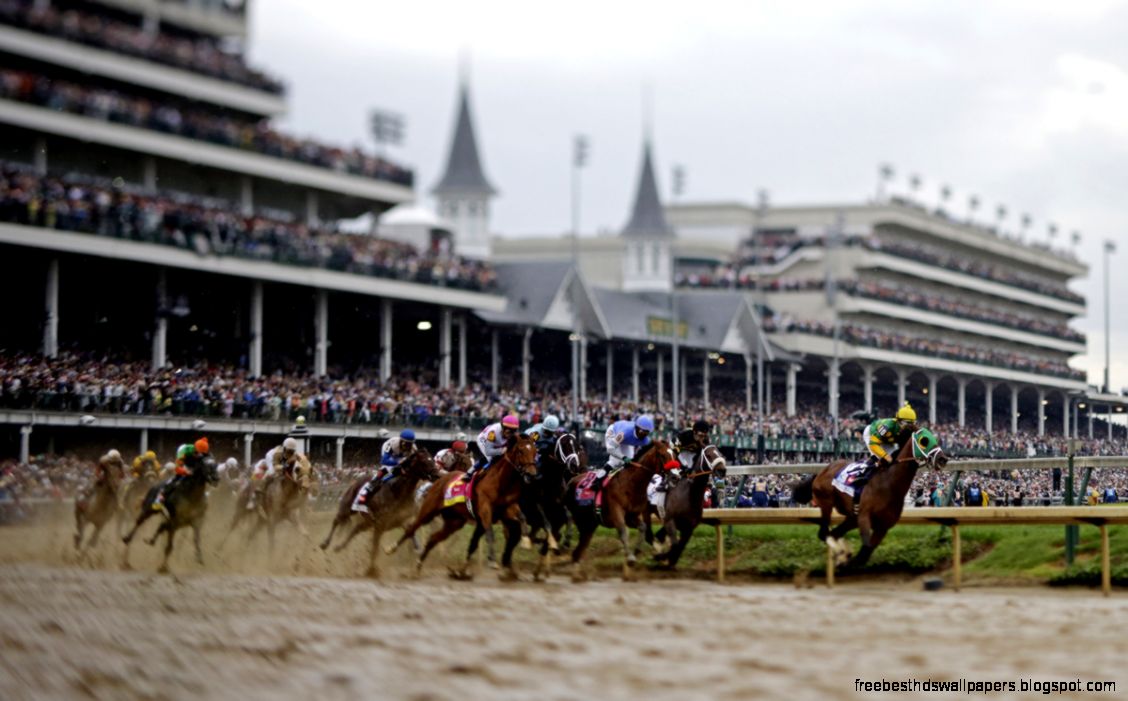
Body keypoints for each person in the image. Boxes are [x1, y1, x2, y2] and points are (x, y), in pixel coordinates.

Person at [852, 403, 918, 498]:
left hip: (888, 441)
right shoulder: (887, 426)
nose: (909, 426)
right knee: (878, 458)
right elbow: (873, 443)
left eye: (912, 423)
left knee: (894, 459)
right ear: (898, 421)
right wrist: (885, 456)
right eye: (907, 423)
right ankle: (861, 476)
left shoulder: (908, 430)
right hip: (872, 435)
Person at [352, 430, 417, 513]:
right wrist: (398, 462)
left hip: (401, 457)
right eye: (406, 443)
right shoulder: (391, 444)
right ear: (401, 441)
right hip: (389, 455)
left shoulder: (414, 449)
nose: (407, 446)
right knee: (387, 470)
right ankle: (364, 494)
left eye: (409, 444)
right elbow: (384, 461)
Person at [592, 415, 654, 494]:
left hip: (626, 441)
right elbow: (610, 449)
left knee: (630, 461)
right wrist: (623, 457)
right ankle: (597, 480)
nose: (644, 435)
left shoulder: (645, 440)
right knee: (616, 461)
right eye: (642, 432)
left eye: (646, 433)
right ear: (637, 428)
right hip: (613, 433)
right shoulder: (625, 432)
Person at [152, 437, 209, 519]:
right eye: (198, 453)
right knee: (178, 478)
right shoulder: (184, 450)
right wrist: (185, 472)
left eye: (202, 454)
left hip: (192, 463)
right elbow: (177, 468)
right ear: (195, 449)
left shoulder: (204, 454)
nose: (200, 455)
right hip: (183, 460)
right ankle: (160, 497)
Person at [248, 437, 300, 511]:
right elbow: (276, 467)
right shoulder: (277, 454)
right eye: (289, 451)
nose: (290, 453)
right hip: (271, 457)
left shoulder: (293, 455)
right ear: (284, 449)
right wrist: (285, 466)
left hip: (281, 462)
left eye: (292, 451)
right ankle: (258, 491)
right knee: (271, 472)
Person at [465, 415, 521, 479]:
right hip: (484, 441)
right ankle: (470, 472)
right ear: (503, 428)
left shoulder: (511, 433)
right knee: (491, 458)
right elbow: (489, 451)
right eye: (509, 431)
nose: (511, 434)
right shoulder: (493, 432)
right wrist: (501, 451)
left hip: (496, 442)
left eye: (513, 431)